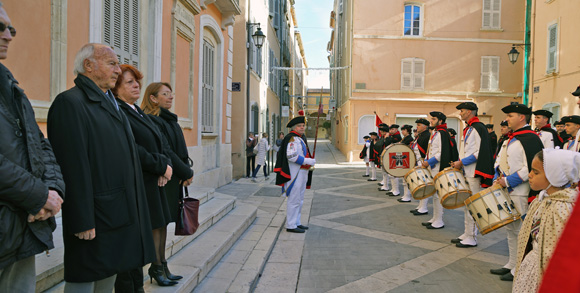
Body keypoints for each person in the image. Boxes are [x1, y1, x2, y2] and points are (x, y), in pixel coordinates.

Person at [47, 43, 155, 291]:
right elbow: (72, 167)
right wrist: (81, 219)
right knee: (84, 281)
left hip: (116, 212)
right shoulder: (70, 103)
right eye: (111, 63)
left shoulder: (110, 101)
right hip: (95, 215)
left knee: (108, 279)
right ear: (88, 65)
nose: (118, 69)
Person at [0, 5, 65, 292]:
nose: (9, 36)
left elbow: (40, 143)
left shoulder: (11, 84)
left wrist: (53, 191)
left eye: (11, 29)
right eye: (0, 28)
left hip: (22, 225)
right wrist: (39, 195)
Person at [113, 65, 177, 289]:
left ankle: (159, 266)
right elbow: (133, 148)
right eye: (129, 82)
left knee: (159, 224)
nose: (136, 85)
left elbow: (161, 142)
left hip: (155, 178)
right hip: (142, 180)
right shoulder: (119, 111)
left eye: (136, 81)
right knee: (146, 232)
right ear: (116, 87)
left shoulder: (137, 110)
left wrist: (166, 166)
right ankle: (154, 269)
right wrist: (161, 166)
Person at [142, 82, 194, 281]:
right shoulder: (153, 119)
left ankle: (162, 265)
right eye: (165, 94)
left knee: (164, 223)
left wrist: (184, 172)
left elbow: (179, 150)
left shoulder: (169, 120)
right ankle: (156, 267)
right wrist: (185, 172)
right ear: (153, 98)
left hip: (173, 178)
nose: (171, 97)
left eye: (171, 93)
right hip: (162, 178)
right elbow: (166, 151)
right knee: (159, 222)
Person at [512, 149, 579, 292]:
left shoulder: (562, 207)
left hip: (544, 271)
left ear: (555, 176)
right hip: (532, 264)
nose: (530, 175)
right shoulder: (543, 199)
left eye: (536, 172)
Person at [491, 102, 543, 282]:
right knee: (510, 229)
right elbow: (499, 160)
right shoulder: (510, 138)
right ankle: (511, 263)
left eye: (510, 116)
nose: (506, 119)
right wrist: (498, 178)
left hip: (520, 191)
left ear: (522, 117)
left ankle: (519, 268)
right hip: (506, 189)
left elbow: (530, 168)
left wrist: (507, 181)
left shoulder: (530, 138)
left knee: (522, 232)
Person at [450, 102, 494, 248]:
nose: (460, 113)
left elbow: (478, 153)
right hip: (467, 170)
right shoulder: (469, 128)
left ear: (469, 112)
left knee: (472, 204)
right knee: (467, 204)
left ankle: (472, 237)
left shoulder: (478, 128)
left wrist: (461, 163)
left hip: (473, 171)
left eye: (462, 111)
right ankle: (467, 233)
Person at [274, 116, 315, 233]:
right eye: (299, 126)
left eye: (303, 125)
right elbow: (291, 156)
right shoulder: (292, 138)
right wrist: (308, 161)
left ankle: (297, 222)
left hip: (302, 172)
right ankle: (291, 225)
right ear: (294, 127)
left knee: (300, 199)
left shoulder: (299, 138)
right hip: (295, 173)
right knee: (294, 200)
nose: (302, 127)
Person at [420, 111, 458, 229]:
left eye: (434, 119)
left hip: (437, 167)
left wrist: (429, 162)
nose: (431, 120)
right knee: (434, 195)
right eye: (431, 118)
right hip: (432, 168)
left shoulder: (442, 133)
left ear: (440, 121)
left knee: (438, 195)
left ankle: (439, 221)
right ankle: (435, 218)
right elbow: (431, 150)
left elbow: (441, 153)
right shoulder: (436, 133)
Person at [409, 119, 431, 211]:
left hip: (423, 163)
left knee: (424, 185)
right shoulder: (420, 136)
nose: (417, 127)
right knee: (420, 185)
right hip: (418, 162)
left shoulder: (427, 136)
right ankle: (420, 206)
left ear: (425, 126)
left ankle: (424, 208)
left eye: (419, 125)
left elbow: (428, 151)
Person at [398, 124, 414, 202]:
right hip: (404, 158)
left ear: (407, 131)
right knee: (404, 179)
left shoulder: (409, 138)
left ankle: (407, 196)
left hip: (407, 159)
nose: (402, 132)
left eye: (403, 130)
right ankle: (405, 195)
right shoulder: (405, 138)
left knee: (406, 179)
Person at [375, 123, 390, 188]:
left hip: (387, 156)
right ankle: (385, 184)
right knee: (384, 172)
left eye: (381, 131)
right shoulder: (383, 137)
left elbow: (386, 144)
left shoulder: (388, 138)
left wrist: (385, 139)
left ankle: (386, 185)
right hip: (383, 156)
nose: (380, 132)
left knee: (387, 173)